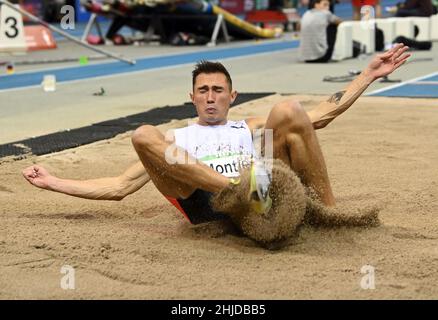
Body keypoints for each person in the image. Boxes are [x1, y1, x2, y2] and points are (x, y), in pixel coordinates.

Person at [23, 44, 411, 225]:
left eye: (218, 90)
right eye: (203, 91)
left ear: (232, 96)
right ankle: (235, 188)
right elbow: (118, 187)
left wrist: (369, 74)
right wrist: (53, 182)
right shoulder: (177, 141)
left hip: (261, 196)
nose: (211, 97)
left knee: (288, 111)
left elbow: (324, 113)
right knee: (143, 134)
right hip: (208, 203)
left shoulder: (249, 129)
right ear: (191, 98)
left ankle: (328, 213)